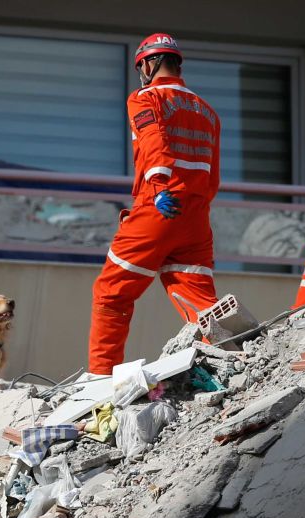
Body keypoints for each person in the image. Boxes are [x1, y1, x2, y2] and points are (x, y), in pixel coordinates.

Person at [87, 33, 222, 376]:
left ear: (148, 63)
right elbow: (213, 174)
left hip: (159, 205)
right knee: (200, 301)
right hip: (195, 216)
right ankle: (225, 362)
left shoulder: (145, 97)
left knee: (111, 292)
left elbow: (152, 140)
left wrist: (160, 186)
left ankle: (100, 378)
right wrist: (196, 207)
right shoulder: (208, 111)